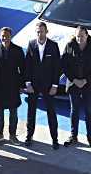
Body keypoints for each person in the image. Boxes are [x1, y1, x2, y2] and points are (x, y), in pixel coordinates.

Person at [61, 26, 91, 150]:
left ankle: (90, 137)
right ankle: (73, 136)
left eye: (82, 36)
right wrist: (74, 80)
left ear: (87, 35)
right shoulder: (69, 46)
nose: (79, 38)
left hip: (89, 85)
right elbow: (64, 65)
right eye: (77, 36)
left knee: (89, 111)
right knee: (74, 110)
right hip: (74, 84)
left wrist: (85, 80)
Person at [24, 21, 61, 149]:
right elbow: (27, 66)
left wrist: (55, 86)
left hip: (48, 86)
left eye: (42, 31)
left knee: (51, 112)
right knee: (31, 112)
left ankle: (55, 139)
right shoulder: (31, 44)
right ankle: (29, 136)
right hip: (33, 86)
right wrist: (28, 84)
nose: (40, 34)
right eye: (38, 32)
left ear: (46, 31)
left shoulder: (53, 46)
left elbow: (57, 68)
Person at [0, 27, 25, 144]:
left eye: (7, 35)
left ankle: (12, 135)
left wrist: (21, 86)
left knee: (13, 112)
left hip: (13, 86)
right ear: (0, 37)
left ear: (11, 36)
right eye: (3, 36)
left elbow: (22, 70)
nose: (5, 38)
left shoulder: (18, 50)